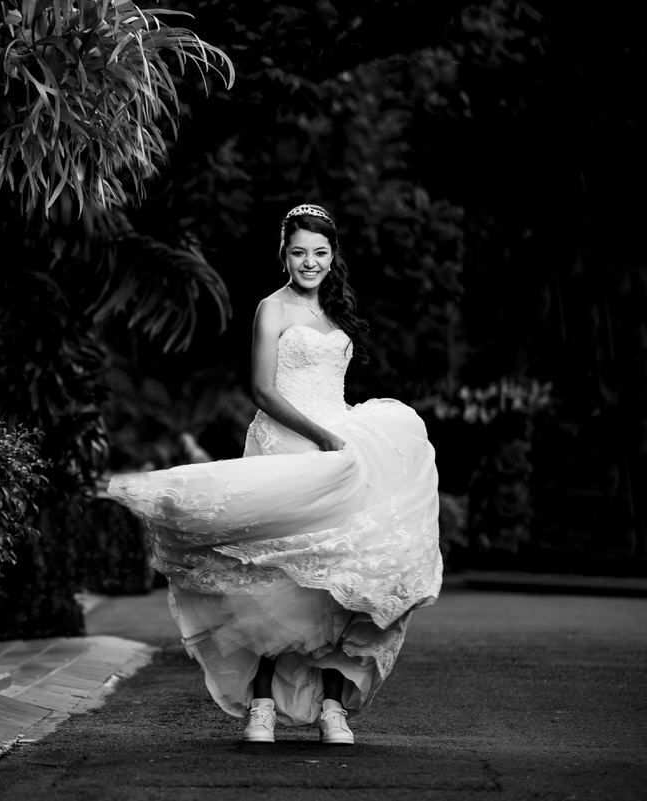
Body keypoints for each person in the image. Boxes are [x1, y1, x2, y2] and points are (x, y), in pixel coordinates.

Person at [108, 203, 442, 745]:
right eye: (298, 252)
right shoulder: (272, 308)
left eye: (319, 253)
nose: (309, 262)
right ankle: (260, 704)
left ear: (333, 257)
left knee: (343, 579)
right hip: (286, 444)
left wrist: (343, 436)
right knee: (274, 577)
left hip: (340, 446)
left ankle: (334, 709)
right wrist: (320, 435)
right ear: (283, 254)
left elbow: (333, 387)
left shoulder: (338, 313)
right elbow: (263, 389)